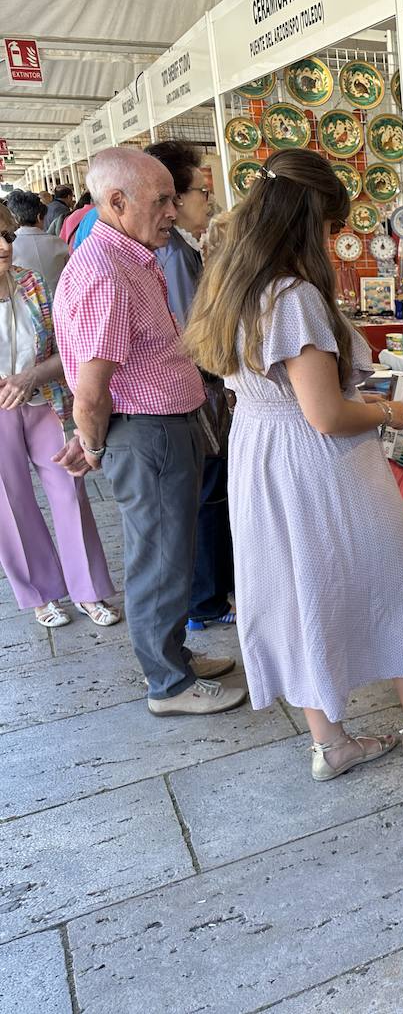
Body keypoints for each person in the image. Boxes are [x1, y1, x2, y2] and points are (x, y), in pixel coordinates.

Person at [182, 149, 403, 781]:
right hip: (315, 460)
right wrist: (383, 414)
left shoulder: (235, 281)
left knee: (298, 590)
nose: (331, 241)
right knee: (398, 573)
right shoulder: (293, 296)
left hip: (262, 451)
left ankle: (332, 741)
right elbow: (324, 413)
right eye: (328, 228)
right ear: (305, 221)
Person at [52, 147, 244, 717]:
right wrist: (92, 444)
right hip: (150, 435)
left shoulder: (130, 258)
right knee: (158, 559)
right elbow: (90, 390)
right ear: (116, 202)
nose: (171, 209)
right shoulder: (107, 271)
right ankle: (168, 683)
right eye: (161, 199)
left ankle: (174, 658)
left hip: (158, 429)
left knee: (170, 554)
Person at [0, 202, 120, 628]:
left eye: (9, 236)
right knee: (10, 505)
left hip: (44, 400)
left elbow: (63, 351)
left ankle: (89, 590)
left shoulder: (30, 283)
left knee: (70, 488)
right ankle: (39, 594)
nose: (4, 245)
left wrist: (30, 376)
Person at [144, 140, 234, 631]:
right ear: (174, 200)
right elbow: (193, 338)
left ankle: (207, 598)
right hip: (195, 396)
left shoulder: (177, 249)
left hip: (191, 395)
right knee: (206, 497)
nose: (208, 202)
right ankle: (206, 600)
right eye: (202, 192)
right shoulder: (176, 256)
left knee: (202, 496)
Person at [6, 190, 69, 289]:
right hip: (58, 299)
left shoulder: (9, 246)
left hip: (27, 301)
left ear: (16, 219)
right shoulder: (58, 243)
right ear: (39, 217)